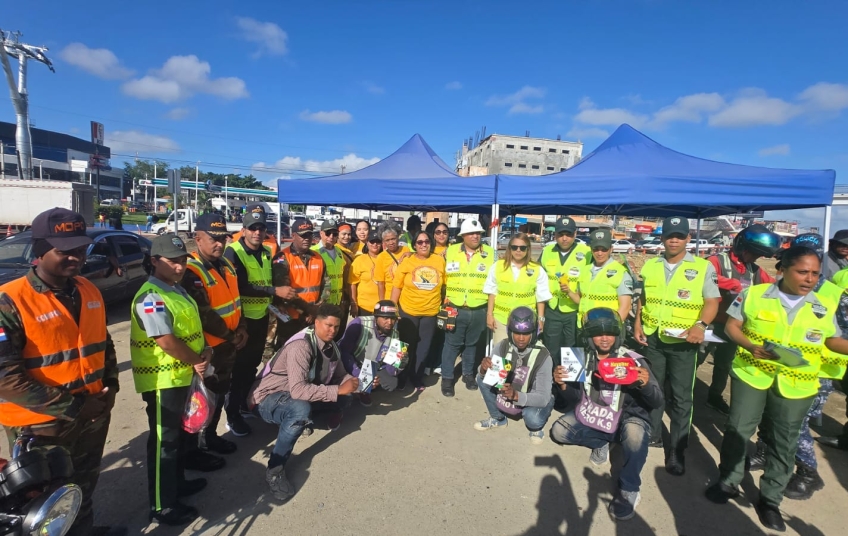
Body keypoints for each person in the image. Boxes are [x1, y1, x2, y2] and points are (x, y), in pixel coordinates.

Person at [705, 245, 848, 532]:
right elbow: (734, 326)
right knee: (738, 429)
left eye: (815, 274)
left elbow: (832, 340)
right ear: (782, 269)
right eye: (802, 272)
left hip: (797, 384)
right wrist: (750, 346)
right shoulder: (754, 295)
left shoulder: (822, 304)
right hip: (753, 373)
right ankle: (729, 481)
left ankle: (770, 499)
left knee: (785, 440)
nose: (809, 279)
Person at [0, 208, 123, 536]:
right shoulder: (10, 302)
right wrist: (76, 407)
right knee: (44, 505)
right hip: (41, 428)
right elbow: (6, 379)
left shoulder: (87, 289)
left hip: (92, 414)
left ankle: (84, 529)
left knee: (83, 484)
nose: (75, 257)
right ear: (39, 250)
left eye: (80, 249)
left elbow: (103, 342)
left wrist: (110, 384)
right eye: (64, 250)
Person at [130, 234, 215, 526]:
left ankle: (177, 485)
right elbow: (166, 341)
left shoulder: (176, 290)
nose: (180, 267)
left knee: (178, 437)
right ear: (155, 261)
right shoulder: (151, 296)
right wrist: (197, 359)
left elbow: (189, 330)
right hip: (162, 382)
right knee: (164, 443)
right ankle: (161, 504)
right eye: (173, 262)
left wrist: (205, 350)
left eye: (183, 261)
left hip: (182, 376)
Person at [550, 308, 663, 522]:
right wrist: (563, 385)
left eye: (610, 332)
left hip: (629, 416)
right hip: (597, 415)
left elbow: (657, 401)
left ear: (618, 334)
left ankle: (629, 488)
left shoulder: (634, 359)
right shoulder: (580, 358)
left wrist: (646, 385)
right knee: (559, 431)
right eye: (598, 333)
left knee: (634, 434)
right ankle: (603, 441)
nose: (604, 338)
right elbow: (574, 401)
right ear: (589, 335)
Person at [633, 216, 720, 476]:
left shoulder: (703, 267)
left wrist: (700, 326)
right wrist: (637, 323)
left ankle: (677, 450)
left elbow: (713, 301)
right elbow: (644, 299)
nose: (674, 240)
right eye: (670, 235)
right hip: (654, 338)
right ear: (662, 238)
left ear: (688, 239)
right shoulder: (651, 266)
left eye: (680, 236)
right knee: (653, 389)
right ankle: (654, 434)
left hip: (684, 342)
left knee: (682, 398)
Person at [248, 304, 359, 503]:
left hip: (294, 395)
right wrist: (337, 389)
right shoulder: (301, 345)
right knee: (300, 409)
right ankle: (275, 470)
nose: (332, 331)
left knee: (346, 397)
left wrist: (355, 382)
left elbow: (341, 375)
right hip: (267, 398)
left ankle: (299, 422)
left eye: (336, 327)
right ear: (316, 323)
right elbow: (299, 390)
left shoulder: (331, 345)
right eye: (327, 325)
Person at [182, 214, 248, 455]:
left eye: (223, 238)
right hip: (208, 350)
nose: (220, 243)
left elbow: (236, 302)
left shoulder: (227, 265)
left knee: (219, 394)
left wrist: (242, 329)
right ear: (197, 238)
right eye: (214, 238)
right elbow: (204, 314)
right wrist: (232, 336)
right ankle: (192, 449)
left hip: (229, 345)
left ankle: (210, 437)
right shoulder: (191, 270)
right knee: (199, 400)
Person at [224, 207, 292, 437]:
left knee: (250, 366)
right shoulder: (233, 252)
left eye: (261, 228)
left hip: (261, 317)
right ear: (243, 230)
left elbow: (265, 281)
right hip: (241, 321)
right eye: (252, 228)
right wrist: (275, 290)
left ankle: (243, 405)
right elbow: (241, 285)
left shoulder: (265, 252)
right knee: (237, 370)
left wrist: (276, 301)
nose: (257, 232)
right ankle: (232, 416)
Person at [704, 224, 779, 415]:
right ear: (742, 248)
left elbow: (772, 286)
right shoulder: (716, 260)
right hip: (710, 322)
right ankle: (678, 394)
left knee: (724, 365)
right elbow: (702, 276)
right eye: (752, 253)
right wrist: (733, 284)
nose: (754, 258)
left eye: (758, 255)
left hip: (733, 327)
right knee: (696, 359)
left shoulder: (755, 270)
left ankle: (714, 397)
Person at [474, 306, 554, 444]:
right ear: (509, 332)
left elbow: (542, 397)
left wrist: (516, 396)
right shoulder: (503, 346)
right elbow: (484, 378)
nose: (521, 338)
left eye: (526, 333)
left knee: (532, 420)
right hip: (508, 392)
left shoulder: (543, 356)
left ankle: (536, 427)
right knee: (480, 379)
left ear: (534, 333)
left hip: (531, 397)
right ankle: (498, 419)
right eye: (517, 333)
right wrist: (483, 369)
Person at [440, 218, 496, 397]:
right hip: (455, 306)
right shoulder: (450, 251)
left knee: (471, 344)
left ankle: (467, 374)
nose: (475, 236)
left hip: (479, 307)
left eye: (478, 233)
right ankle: (447, 378)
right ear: (462, 236)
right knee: (452, 345)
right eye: (471, 233)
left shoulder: (491, 253)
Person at [391, 230, 446, 390]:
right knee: (404, 346)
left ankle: (416, 377)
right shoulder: (407, 261)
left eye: (427, 241)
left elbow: (445, 285)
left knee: (423, 348)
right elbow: (397, 286)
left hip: (430, 313)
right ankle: (399, 376)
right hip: (408, 311)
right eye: (420, 242)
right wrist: (393, 309)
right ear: (414, 245)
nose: (424, 244)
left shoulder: (439, 261)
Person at [539, 217, 592, 362]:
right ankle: (552, 382)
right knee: (551, 349)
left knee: (572, 350)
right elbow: (539, 279)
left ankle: (570, 384)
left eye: (568, 234)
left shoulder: (586, 253)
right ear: (555, 235)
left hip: (574, 310)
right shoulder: (547, 251)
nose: (564, 238)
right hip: (552, 310)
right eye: (561, 234)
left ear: (575, 234)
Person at [339, 300, 411, 406]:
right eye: (385, 318)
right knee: (346, 397)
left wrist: (400, 364)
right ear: (376, 317)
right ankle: (357, 389)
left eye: (393, 319)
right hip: (352, 363)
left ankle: (366, 389)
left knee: (391, 383)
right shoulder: (359, 323)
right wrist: (359, 374)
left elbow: (391, 371)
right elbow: (344, 353)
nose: (390, 322)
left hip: (373, 367)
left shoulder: (395, 335)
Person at [485, 233, 552, 346]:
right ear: (510, 248)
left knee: (523, 357)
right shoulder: (497, 266)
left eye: (522, 248)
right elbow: (492, 292)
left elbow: (541, 297)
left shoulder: (537, 269)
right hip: (501, 320)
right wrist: (489, 315)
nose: (518, 250)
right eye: (514, 247)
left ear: (528, 249)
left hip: (526, 322)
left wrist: (541, 319)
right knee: (502, 356)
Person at [272, 218, 326, 347]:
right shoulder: (282, 258)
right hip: (291, 318)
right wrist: (306, 311)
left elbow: (326, 285)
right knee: (288, 353)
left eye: (309, 234)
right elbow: (283, 292)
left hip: (313, 317)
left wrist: (317, 309)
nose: (307, 238)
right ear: (293, 235)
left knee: (311, 352)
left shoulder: (318, 257)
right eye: (303, 235)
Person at [574, 227, 634, 330]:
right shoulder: (585, 270)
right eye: (596, 249)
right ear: (591, 249)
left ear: (611, 249)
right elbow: (581, 299)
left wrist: (611, 329)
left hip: (606, 331)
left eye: (604, 249)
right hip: (584, 326)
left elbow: (625, 307)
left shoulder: (620, 272)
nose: (600, 253)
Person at [374, 221, 411, 301]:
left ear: (398, 237)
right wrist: (382, 302)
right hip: (390, 298)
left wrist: (411, 253)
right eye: (387, 240)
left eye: (393, 239)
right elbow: (381, 283)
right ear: (383, 242)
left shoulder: (406, 250)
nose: (391, 242)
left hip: (406, 297)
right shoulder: (381, 257)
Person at [350, 229, 383, 316]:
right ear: (367, 243)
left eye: (378, 242)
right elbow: (352, 283)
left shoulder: (386, 259)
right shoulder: (359, 260)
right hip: (364, 307)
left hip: (383, 307)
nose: (375, 244)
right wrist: (354, 305)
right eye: (372, 242)